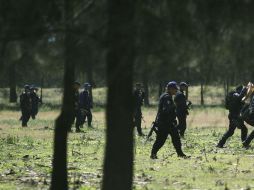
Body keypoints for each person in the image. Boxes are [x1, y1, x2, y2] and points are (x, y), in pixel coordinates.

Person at [150, 81, 188, 159]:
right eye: (175, 89)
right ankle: (153, 154)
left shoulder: (167, 96)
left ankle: (180, 153)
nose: (176, 90)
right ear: (170, 89)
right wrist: (174, 107)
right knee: (161, 140)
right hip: (164, 123)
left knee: (176, 138)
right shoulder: (166, 97)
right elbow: (165, 110)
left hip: (169, 123)